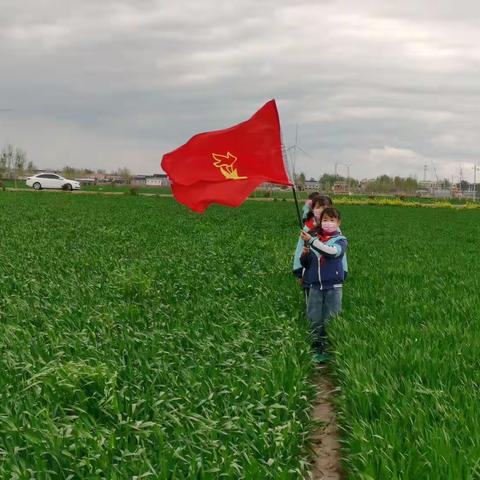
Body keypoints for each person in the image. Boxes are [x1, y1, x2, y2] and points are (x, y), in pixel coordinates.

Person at [299, 207, 347, 362]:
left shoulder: (340, 240)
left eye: (332, 220)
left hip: (333, 286)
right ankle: (315, 346)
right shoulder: (315, 238)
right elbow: (306, 264)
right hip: (315, 285)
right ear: (320, 221)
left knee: (331, 317)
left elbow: (332, 252)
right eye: (325, 220)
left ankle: (330, 348)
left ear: (338, 222)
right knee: (314, 317)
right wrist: (305, 254)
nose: (328, 223)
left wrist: (312, 241)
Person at [292, 195, 333, 280]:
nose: (322, 210)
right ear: (313, 210)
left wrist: (343, 270)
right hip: (311, 267)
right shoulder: (307, 228)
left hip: (330, 269)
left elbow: (339, 251)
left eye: (325, 207)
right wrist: (298, 268)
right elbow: (300, 249)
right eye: (318, 207)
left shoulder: (334, 228)